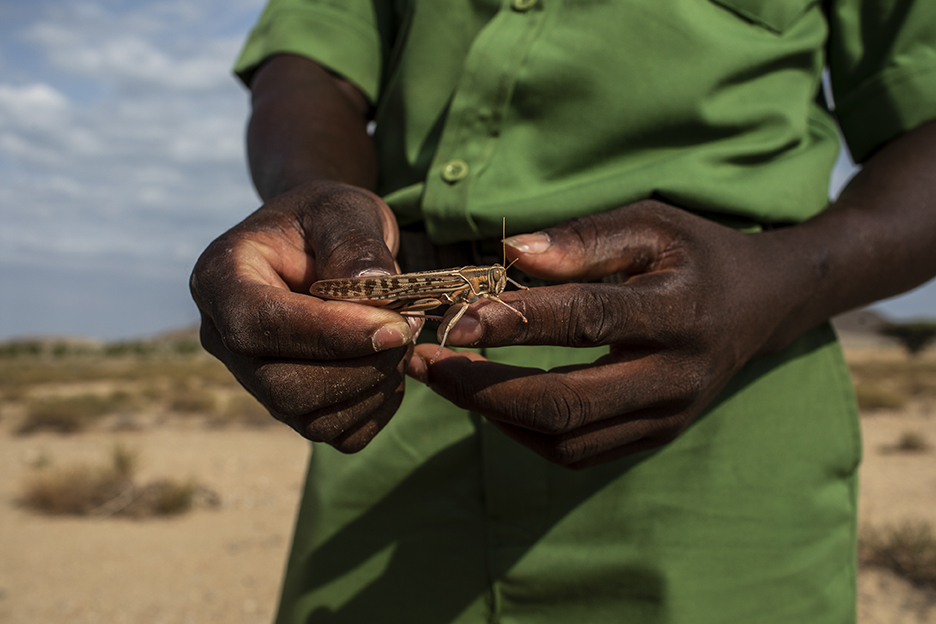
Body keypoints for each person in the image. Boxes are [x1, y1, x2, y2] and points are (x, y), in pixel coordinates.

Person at [190, 2, 936, 622]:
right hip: (397, 393)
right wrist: (315, 198)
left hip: (728, 398)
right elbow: (311, 55)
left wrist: (784, 283)